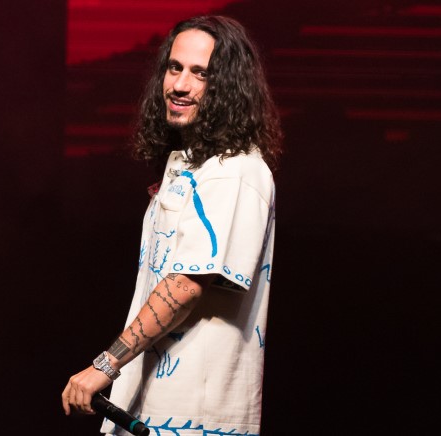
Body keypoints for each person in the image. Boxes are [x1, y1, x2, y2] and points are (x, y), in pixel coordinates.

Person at [61, 15, 283, 436]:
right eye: (175, 67)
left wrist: (104, 365)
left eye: (201, 73)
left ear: (229, 86)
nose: (180, 85)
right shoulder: (189, 166)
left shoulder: (234, 170)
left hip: (194, 417)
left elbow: (186, 284)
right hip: (149, 407)